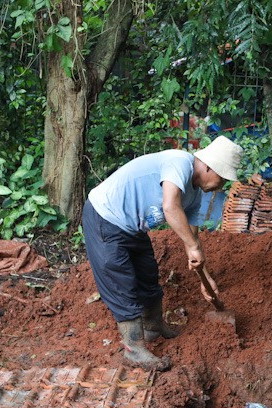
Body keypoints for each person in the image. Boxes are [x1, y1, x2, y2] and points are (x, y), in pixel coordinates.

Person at [82, 136, 244, 371]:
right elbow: (170, 206)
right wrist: (191, 246)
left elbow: (193, 238)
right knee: (121, 281)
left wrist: (205, 277)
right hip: (105, 215)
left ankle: (154, 326)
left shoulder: (196, 195)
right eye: (222, 178)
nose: (222, 186)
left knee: (147, 272)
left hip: (132, 226)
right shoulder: (179, 162)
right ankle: (134, 349)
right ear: (210, 166)